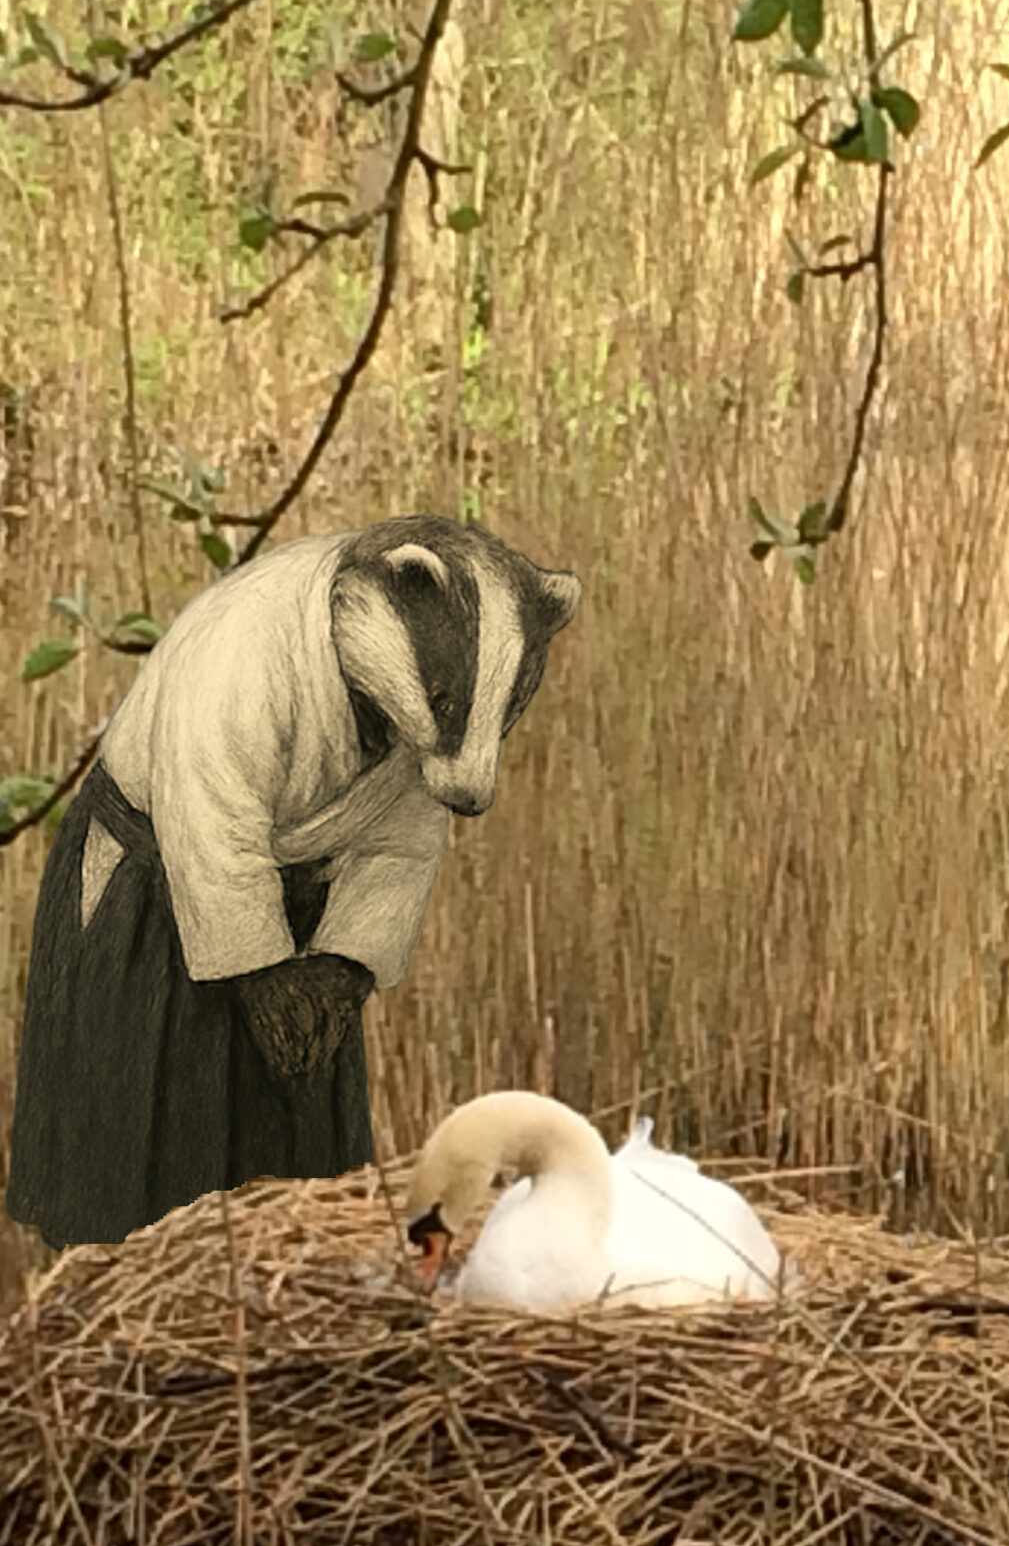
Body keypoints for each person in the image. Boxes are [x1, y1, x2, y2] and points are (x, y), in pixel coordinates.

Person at [7, 515, 580, 1248]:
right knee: (141, 1157)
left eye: (491, 728)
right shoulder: (247, 646)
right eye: (444, 707)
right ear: (385, 594)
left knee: (298, 1170)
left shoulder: (412, 719)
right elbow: (210, 814)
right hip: (148, 899)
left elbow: (398, 847)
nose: (473, 779)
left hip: (304, 916)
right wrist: (263, 976)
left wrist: (342, 969)